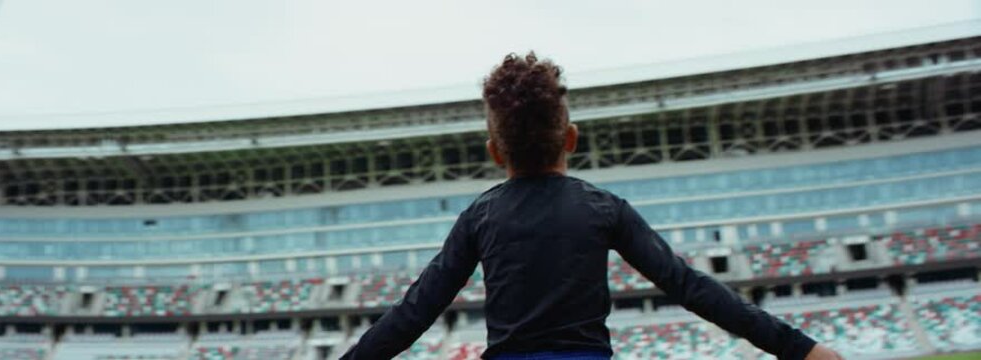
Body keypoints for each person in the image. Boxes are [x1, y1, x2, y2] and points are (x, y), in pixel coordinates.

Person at [341, 52, 844, 360]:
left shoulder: (480, 216)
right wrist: (798, 348)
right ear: (573, 139)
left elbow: (414, 313)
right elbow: (691, 286)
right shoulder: (604, 208)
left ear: (495, 152)